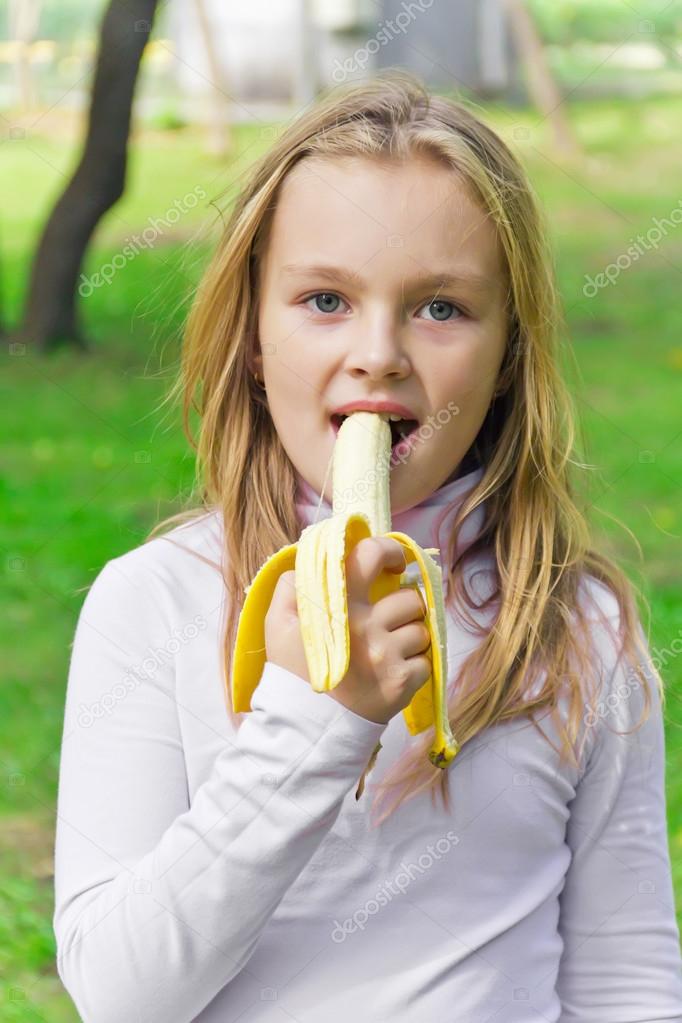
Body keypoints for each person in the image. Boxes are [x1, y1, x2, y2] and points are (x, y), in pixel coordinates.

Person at [53, 70, 682, 1022]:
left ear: (510, 355)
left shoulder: (578, 626)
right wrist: (316, 715)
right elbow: (121, 992)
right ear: (253, 342)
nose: (379, 352)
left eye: (441, 308)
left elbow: (624, 976)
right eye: (324, 300)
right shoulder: (154, 603)